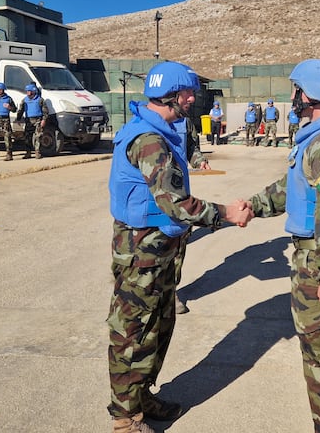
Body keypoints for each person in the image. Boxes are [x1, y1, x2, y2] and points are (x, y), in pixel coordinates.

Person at [106, 61, 252, 433]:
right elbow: (175, 203)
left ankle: (142, 395)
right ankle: (124, 418)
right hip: (142, 247)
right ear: (170, 95)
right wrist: (225, 213)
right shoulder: (149, 140)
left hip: (163, 243)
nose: (192, 98)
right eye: (187, 93)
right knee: (134, 330)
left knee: (159, 323)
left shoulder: (165, 130)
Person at [247, 59, 320, 433]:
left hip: (319, 259)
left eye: (295, 90)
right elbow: (292, 188)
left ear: (308, 96)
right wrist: (253, 206)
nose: (291, 97)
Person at [172, 114, 211, 315]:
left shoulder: (185, 122)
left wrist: (199, 161)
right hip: (154, 196)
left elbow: (191, 148)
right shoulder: (145, 122)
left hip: (180, 194)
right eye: (186, 92)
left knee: (180, 242)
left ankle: (171, 290)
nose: (192, 98)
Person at [16, 84, 49, 159]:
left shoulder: (40, 100)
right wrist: (18, 119)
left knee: (38, 136)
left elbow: (45, 111)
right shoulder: (25, 100)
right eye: (27, 91)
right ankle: (28, 153)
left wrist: (44, 120)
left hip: (38, 120)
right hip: (28, 121)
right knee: (27, 137)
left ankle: (37, 152)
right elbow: (21, 110)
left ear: (34, 91)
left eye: (29, 91)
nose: (28, 93)